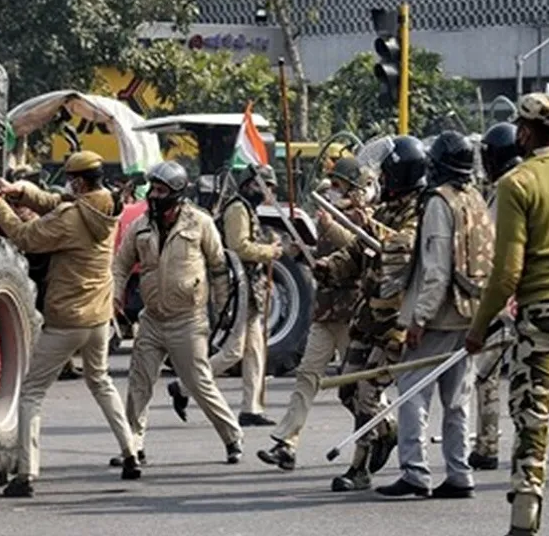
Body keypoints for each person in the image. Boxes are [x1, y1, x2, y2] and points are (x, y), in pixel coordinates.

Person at [0, 151, 139, 496]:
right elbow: (58, 202)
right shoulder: (105, 205)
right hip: (98, 318)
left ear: (80, 181)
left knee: (31, 393)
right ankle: (131, 452)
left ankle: (26, 475)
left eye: (71, 180)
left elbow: (24, 236)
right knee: (101, 382)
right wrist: (20, 191)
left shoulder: (71, 216)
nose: (68, 186)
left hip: (67, 319)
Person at [465, 93, 549, 536]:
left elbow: (507, 272)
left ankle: (524, 519)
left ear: (524, 131)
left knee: (533, 419)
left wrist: (478, 328)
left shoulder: (517, 183)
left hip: (545, 318)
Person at [376, 131, 492, 499]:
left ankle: (415, 471)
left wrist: (419, 319)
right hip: (471, 312)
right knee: (458, 399)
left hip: (439, 316)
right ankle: (459, 472)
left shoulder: (440, 203)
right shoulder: (476, 199)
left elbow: (436, 268)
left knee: (411, 392)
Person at [113, 161, 245, 467]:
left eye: (161, 191)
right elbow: (120, 265)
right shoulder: (140, 226)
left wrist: (224, 308)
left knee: (199, 383)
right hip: (152, 319)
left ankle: (232, 436)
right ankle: (133, 445)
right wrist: (116, 293)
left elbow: (218, 266)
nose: (154, 196)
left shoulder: (199, 223)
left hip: (188, 320)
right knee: (139, 383)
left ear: (177, 193)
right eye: (152, 190)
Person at [316, 135, 428, 493]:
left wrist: (372, 227)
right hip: (367, 317)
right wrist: (328, 267)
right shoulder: (384, 208)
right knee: (347, 390)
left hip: (395, 320)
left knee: (367, 391)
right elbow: (357, 254)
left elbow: (402, 248)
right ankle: (387, 429)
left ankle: (359, 470)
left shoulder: (421, 211)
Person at [259, 157, 370, 470]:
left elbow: (359, 246)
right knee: (307, 376)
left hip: (351, 314)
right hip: (325, 312)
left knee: (357, 385)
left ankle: (384, 426)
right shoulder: (327, 216)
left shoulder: (361, 216)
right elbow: (321, 256)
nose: (333, 190)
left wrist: (330, 226)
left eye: (338, 185)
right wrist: (299, 249)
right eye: (331, 184)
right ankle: (286, 443)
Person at [174, 164, 281, 427]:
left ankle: (251, 409)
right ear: (250, 185)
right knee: (234, 351)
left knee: (256, 350)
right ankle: (184, 386)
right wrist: (269, 251)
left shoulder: (247, 208)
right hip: (237, 287)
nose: (267, 193)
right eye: (265, 186)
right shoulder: (237, 209)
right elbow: (239, 246)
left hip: (250, 287)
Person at [469, 122, 523, 472]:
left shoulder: (509, 189)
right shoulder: (528, 180)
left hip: (516, 300)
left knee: (493, 375)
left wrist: (491, 310)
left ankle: (489, 446)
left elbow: (502, 256)